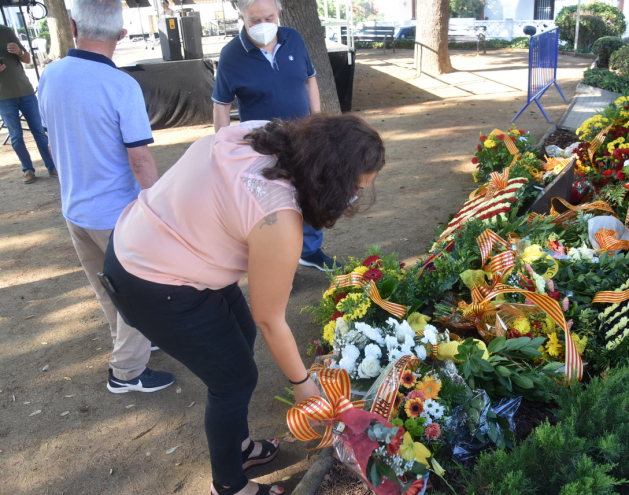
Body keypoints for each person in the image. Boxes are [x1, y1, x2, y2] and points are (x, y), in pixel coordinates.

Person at [103, 114, 385, 495]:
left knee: (241, 336)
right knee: (233, 379)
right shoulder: (280, 219)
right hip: (151, 279)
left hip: (158, 242)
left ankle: (238, 445)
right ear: (331, 179)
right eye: (355, 188)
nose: (354, 198)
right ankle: (230, 484)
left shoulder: (259, 133)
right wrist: (303, 384)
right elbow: (270, 318)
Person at [38, 0, 174, 393]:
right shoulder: (121, 86)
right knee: (136, 292)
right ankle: (127, 372)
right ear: (122, 34)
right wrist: (157, 209)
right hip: (116, 213)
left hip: (75, 207)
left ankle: (133, 346)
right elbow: (140, 158)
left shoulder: (51, 74)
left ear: (73, 25)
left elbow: (50, 137)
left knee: (105, 287)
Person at [211, 0, 339, 272]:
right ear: (242, 16)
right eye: (254, 20)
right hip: (263, 145)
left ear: (279, 12)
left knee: (311, 190)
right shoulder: (231, 54)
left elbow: (310, 78)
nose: (262, 25)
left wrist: (317, 120)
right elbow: (221, 105)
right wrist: (220, 148)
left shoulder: (294, 38)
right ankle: (279, 264)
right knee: (272, 205)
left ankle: (310, 250)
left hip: (304, 137)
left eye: (269, 17)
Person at [0, 24, 56, 184]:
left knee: (39, 132)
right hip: (3, 97)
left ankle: (52, 166)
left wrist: (19, 51)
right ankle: (28, 169)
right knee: (16, 136)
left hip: (25, 92)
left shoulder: (5, 31)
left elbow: (27, 59)